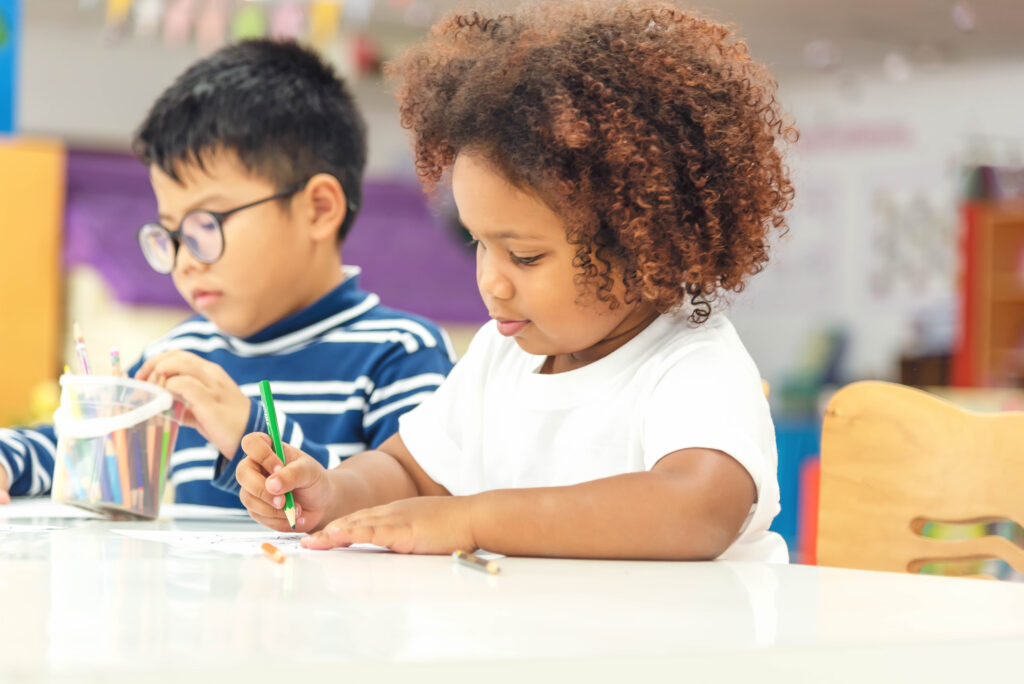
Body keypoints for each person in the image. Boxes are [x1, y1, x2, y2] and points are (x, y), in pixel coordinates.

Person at [236, 1, 796, 560]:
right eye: (479, 244)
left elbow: (695, 512)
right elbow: (406, 470)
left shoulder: (690, 363)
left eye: (524, 257)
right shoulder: (500, 358)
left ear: (645, 246)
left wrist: (472, 519)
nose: (491, 283)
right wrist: (331, 494)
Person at [0, 39, 454, 507]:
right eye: (171, 234)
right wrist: (7, 459)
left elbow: (415, 508)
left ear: (318, 209)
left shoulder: (401, 355)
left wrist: (250, 429)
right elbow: (82, 451)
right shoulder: (182, 354)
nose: (184, 260)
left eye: (205, 225)